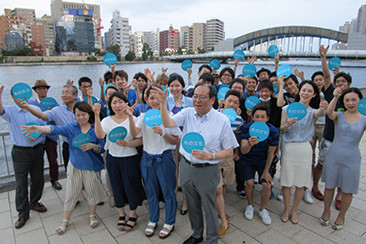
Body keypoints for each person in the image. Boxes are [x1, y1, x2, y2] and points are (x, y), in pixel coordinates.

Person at [152, 83, 239, 244]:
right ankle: (197, 234)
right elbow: (168, 123)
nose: (197, 100)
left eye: (202, 97)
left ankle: (212, 239)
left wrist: (210, 155)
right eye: (195, 96)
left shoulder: (222, 120)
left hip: (208, 169)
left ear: (212, 99)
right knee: (192, 205)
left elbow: (229, 151)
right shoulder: (187, 113)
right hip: (187, 166)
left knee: (209, 206)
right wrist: (163, 103)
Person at [21, 101, 107, 235]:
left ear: (89, 114)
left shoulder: (96, 129)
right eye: (78, 115)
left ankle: (92, 215)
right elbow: (54, 129)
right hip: (75, 166)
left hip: (91, 167)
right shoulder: (71, 128)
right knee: (71, 193)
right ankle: (65, 220)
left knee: (92, 192)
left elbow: (101, 147)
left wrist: (92, 146)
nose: (80, 117)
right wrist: (38, 128)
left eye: (83, 114)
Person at [130, 85, 181, 239]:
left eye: (158, 97)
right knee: (150, 191)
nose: (155, 101)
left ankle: (170, 222)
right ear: (146, 99)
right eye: (151, 97)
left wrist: (163, 132)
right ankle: (153, 219)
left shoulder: (170, 116)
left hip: (164, 158)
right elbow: (134, 134)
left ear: (164, 98)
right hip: (147, 157)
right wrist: (128, 116)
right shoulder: (143, 116)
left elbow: (176, 140)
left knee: (168, 191)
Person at [94, 92, 146, 231]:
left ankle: (133, 213)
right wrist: (97, 115)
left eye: (120, 102)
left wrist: (127, 144)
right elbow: (99, 134)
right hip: (113, 158)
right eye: (114, 103)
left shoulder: (134, 119)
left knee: (131, 185)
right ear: (110, 105)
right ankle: (121, 214)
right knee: (116, 185)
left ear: (126, 103)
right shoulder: (106, 120)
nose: (118, 105)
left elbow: (140, 139)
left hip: (130, 158)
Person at [279, 80, 327, 224]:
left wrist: (323, 107)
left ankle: (295, 210)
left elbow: (318, 113)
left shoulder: (312, 111)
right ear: (299, 91)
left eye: (309, 91)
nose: (305, 93)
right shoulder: (287, 109)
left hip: (305, 148)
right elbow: (282, 129)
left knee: (301, 183)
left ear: (313, 95)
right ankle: (286, 209)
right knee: (287, 182)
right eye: (304, 90)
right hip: (289, 147)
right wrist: (288, 123)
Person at [0, 85, 47, 229]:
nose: (20, 99)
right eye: (17, 97)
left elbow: (44, 127)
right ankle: (22, 213)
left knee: (38, 178)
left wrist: (38, 134)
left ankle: (34, 202)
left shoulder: (37, 110)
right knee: (21, 183)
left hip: (38, 149)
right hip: (21, 152)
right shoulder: (10, 111)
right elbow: (0, 110)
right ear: (13, 98)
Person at [312, 45, 352, 209]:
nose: (340, 84)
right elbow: (327, 75)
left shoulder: (353, 97)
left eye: (344, 82)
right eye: (338, 82)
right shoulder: (331, 94)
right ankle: (315, 187)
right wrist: (323, 57)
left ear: (349, 84)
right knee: (321, 164)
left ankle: (340, 196)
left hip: (347, 141)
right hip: (329, 138)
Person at [320, 87, 365, 230]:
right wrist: (335, 97)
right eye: (347, 100)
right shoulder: (339, 115)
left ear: (360, 101)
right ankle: (326, 211)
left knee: (348, 189)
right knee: (329, 186)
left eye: (354, 100)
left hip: (352, 158)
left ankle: (341, 216)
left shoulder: (364, 119)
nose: (350, 103)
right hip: (334, 156)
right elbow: (328, 112)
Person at [22, 85, 78, 171]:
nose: (64, 95)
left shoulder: (82, 108)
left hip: (84, 142)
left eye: (67, 93)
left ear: (75, 95)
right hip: (69, 146)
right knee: (71, 173)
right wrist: (27, 106)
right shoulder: (57, 110)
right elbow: (42, 115)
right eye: (62, 93)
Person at [240, 104, 279, 225]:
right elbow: (243, 151)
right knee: (250, 182)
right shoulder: (246, 128)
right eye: (257, 116)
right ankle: (250, 205)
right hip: (248, 159)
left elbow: (271, 154)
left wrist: (266, 171)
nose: (260, 119)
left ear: (267, 118)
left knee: (267, 184)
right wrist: (250, 144)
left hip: (264, 160)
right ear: (252, 117)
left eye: (263, 117)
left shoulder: (273, 131)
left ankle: (263, 209)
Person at [216, 90, 243, 236]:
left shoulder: (238, 120)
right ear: (224, 101)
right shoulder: (215, 114)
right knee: (218, 187)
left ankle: (220, 209)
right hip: (215, 155)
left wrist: (236, 153)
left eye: (235, 102)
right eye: (229, 101)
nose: (231, 104)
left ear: (239, 105)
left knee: (224, 184)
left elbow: (237, 137)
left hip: (228, 156)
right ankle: (223, 219)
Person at [28, 80, 62, 190]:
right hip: (38, 137)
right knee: (37, 162)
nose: (42, 90)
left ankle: (54, 179)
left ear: (47, 90)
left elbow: (59, 117)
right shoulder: (31, 104)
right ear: (36, 91)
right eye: (39, 88)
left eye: (44, 88)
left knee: (53, 160)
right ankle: (38, 183)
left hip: (50, 136)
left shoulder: (54, 103)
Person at [167, 74, 193, 215]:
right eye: (172, 85)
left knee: (186, 173)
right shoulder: (166, 101)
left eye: (177, 85)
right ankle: (173, 200)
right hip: (172, 140)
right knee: (173, 172)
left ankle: (185, 202)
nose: (174, 88)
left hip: (187, 141)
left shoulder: (190, 101)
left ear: (183, 87)